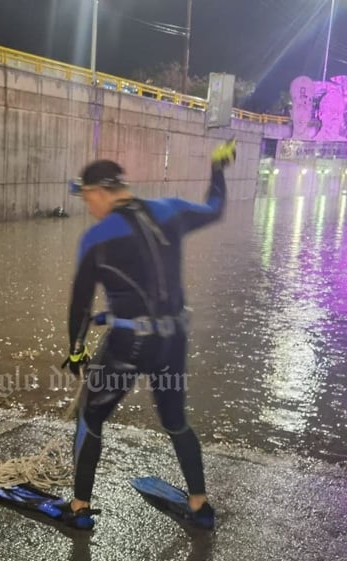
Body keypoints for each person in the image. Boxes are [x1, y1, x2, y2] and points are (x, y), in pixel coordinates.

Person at [61, 139, 236, 530]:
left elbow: (79, 306)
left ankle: (79, 508)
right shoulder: (170, 210)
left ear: (100, 191)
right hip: (173, 340)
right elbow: (215, 208)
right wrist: (218, 168)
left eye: (87, 198)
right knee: (175, 420)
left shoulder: (96, 238)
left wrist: (75, 351)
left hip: (128, 343)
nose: (88, 208)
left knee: (90, 418)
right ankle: (199, 504)